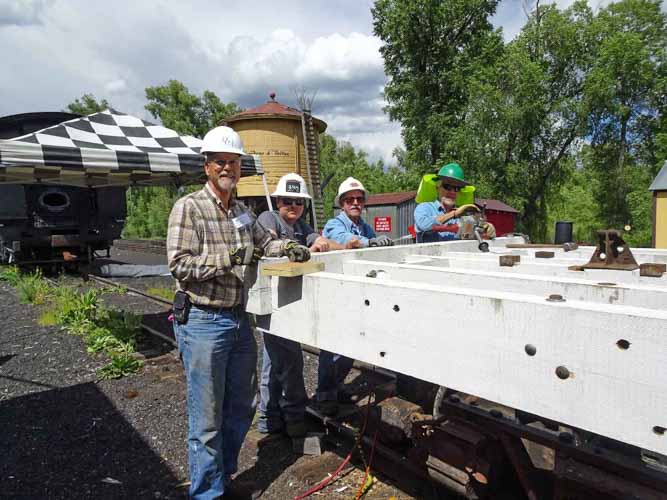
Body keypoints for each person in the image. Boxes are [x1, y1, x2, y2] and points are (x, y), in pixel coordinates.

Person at [167, 126, 311, 500]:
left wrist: (290, 247)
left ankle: (222, 475)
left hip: (238, 319)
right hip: (202, 320)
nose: (228, 168)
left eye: (233, 162)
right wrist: (227, 259)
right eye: (221, 162)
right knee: (207, 416)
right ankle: (207, 493)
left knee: (243, 406)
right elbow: (179, 265)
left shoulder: (245, 213)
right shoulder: (189, 208)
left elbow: (268, 243)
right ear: (208, 167)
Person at [255, 173, 351, 438]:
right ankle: (293, 419)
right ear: (277, 201)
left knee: (274, 365)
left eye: (298, 202)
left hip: (288, 304)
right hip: (273, 305)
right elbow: (270, 244)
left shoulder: (302, 226)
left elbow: (320, 241)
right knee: (289, 363)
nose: (293, 206)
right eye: (288, 200)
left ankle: (269, 419)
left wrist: (329, 243)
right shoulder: (268, 220)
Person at [315, 177, 394, 415]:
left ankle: (336, 387)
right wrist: (371, 242)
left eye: (359, 199)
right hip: (335, 294)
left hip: (355, 295)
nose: (356, 203)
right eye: (350, 199)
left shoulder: (365, 226)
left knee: (351, 346)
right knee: (331, 347)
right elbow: (346, 242)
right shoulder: (334, 224)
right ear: (341, 203)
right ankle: (325, 394)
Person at [414, 162, 496, 243]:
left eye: (457, 188)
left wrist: (485, 229)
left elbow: (468, 236)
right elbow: (424, 225)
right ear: (437, 187)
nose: (452, 192)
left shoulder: (461, 216)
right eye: (448, 187)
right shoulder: (424, 207)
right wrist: (454, 214)